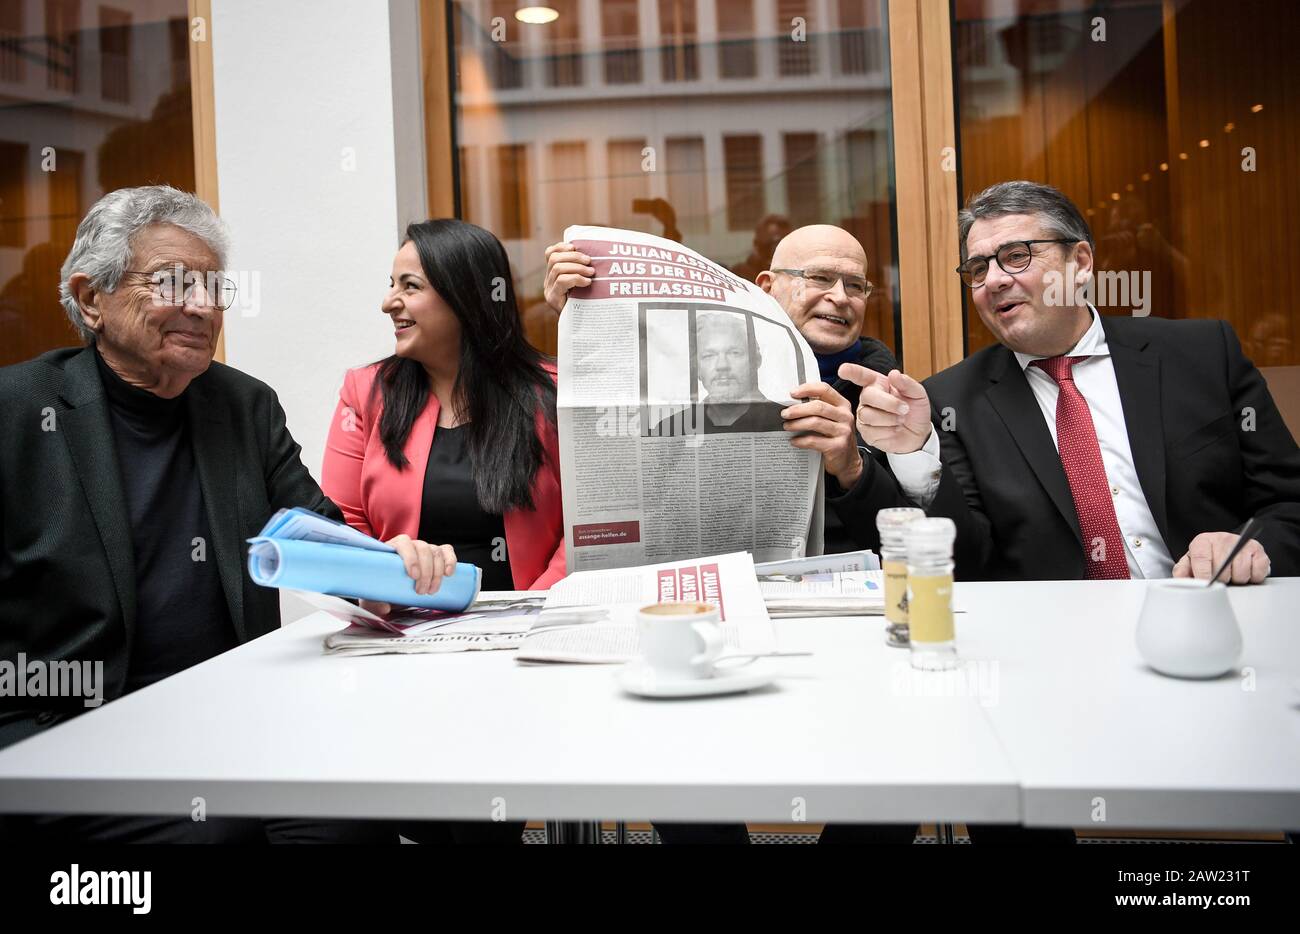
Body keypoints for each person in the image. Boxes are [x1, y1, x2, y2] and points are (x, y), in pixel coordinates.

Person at [828, 180, 1300, 844]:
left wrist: (1255, 544)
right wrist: (916, 451)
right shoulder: (950, 399)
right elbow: (968, 561)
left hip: (1218, 640)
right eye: (977, 268)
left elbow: (1288, 502)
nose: (993, 280)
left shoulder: (1199, 354)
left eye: (1016, 255)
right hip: (1048, 679)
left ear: (1080, 264)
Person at [0, 186, 451, 843]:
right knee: (214, 834)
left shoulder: (242, 406)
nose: (202, 306)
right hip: (70, 733)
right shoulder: (17, 410)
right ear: (92, 299)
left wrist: (389, 570)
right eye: (174, 283)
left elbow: (321, 538)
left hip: (232, 721)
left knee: (357, 815)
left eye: (215, 287)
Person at [321, 219, 565, 844]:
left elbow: (589, 523)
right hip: (401, 644)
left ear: (464, 297)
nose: (388, 302)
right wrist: (383, 568)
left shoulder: (552, 393)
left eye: (409, 286)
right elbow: (339, 525)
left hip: (524, 645)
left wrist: (535, 610)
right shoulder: (365, 393)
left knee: (483, 817)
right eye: (390, 284)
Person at [546, 224, 898, 554]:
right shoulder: (686, 413)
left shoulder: (889, 397)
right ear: (766, 287)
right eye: (820, 278)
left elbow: (913, 540)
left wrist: (854, 470)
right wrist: (581, 311)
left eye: (855, 285)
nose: (840, 297)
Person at [650, 312, 787, 436]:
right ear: (697, 369)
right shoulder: (669, 429)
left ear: (756, 360)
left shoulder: (789, 424)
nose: (722, 365)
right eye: (709, 355)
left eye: (734, 353)